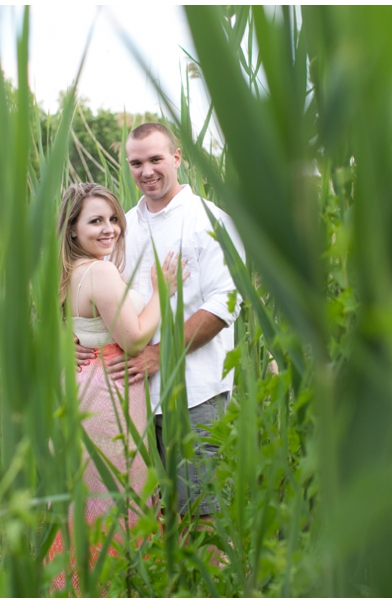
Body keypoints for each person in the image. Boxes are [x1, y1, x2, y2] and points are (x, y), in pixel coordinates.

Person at [75, 123, 244, 527]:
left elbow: (227, 302)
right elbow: (94, 293)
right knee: (152, 514)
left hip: (193, 391)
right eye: (136, 162)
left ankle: (202, 590)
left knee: (200, 508)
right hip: (129, 397)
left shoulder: (210, 220)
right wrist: (72, 337)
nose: (146, 170)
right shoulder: (121, 227)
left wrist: (160, 354)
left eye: (155, 159)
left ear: (177, 158)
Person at [51, 182, 184, 592]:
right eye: (95, 221)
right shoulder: (101, 271)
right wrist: (165, 288)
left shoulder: (66, 272)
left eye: (113, 219)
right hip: (108, 396)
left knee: (85, 503)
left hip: (78, 392)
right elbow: (134, 338)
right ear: (72, 230)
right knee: (118, 498)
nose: (109, 229)